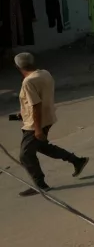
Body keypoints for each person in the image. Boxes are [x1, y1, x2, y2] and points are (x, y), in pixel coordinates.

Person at [11, 53, 88, 196]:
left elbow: (36, 105)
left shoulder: (28, 82)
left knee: (25, 155)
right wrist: (23, 114)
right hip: (47, 118)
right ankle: (77, 161)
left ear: (17, 66)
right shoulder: (44, 73)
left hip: (35, 123)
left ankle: (40, 184)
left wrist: (37, 129)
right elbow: (40, 98)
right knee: (42, 147)